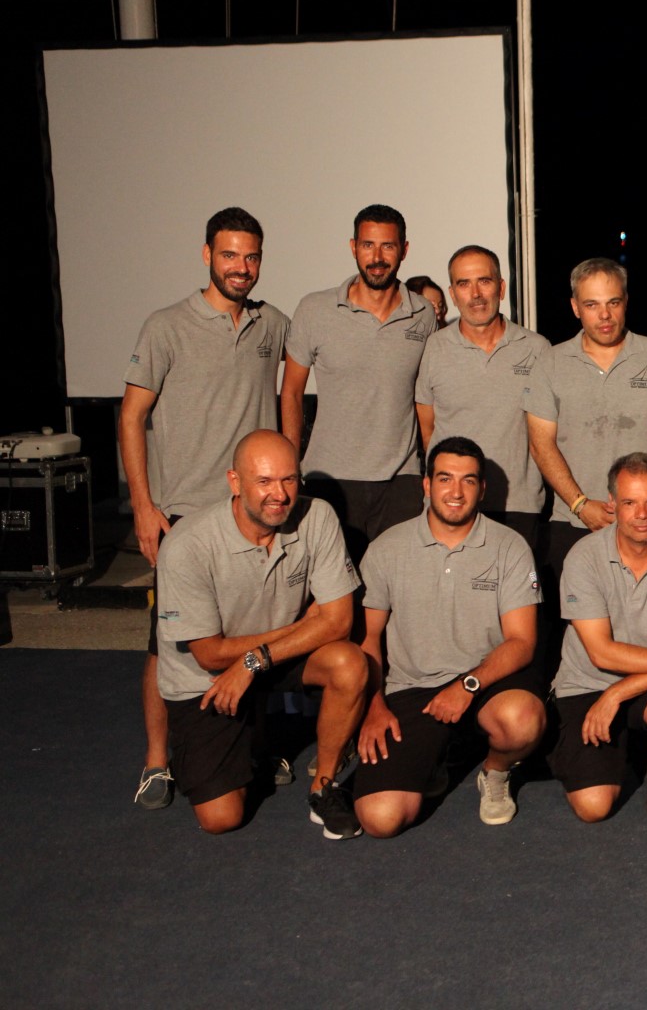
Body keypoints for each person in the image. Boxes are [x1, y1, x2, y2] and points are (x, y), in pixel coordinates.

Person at [121, 207, 289, 811]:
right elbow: (131, 417)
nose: (241, 267)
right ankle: (157, 760)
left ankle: (254, 744)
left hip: (254, 512)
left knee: (250, 631)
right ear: (207, 256)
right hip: (186, 515)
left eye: (251, 256)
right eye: (229, 255)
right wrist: (143, 506)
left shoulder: (273, 325)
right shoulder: (165, 326)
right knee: (166, 643)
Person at [154, 431, 367, 838]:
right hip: (209, 679)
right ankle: (239, 743)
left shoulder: (317, 515)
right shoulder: (187, 545)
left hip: (268, 659)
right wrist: (304, 625)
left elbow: (339, 622)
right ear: (235, 482)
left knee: (350, 662)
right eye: (264, 481)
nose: (280, 494)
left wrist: (255, 661)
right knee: (221, 819)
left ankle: (324, 787)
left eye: (289, 479)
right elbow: (210, 654)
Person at [350, 437, 544, 835]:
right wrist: (373, 705)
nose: (456, 492)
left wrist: (467, 685)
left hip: (486, 681)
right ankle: (436, 756)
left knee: (522, 721)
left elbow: (522, 642)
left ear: (482, 489)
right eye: (445, 479)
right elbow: (368, 641)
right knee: (380, 819)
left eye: (468, 481)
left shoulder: (509, 546)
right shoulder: (386, 548)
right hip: (412, 687)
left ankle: (495, 770)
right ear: (426, 485)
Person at [523, 258, 647, 681]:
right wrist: (581, 504)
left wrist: (645, 503)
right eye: (592, 304)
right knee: (573, 639)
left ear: (626, 302)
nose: (605, 315)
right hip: (573, 522)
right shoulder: (551, 362)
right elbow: (541, 443)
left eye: (613, 302)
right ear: (575, 307)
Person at [548, 453, 647, 822]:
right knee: (593, 808)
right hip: (588, 683)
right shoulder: (583, 557)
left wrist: (617, 694)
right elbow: (602, 654)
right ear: (612, 504)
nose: (642, 514)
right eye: (629, 502)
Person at [281, 204, 436, 564]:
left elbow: (427, 400)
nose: (377, 257)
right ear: (353, 247)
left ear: (404, 250)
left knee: (397, 587)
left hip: (401, 480)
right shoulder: (314, 309)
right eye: (368, 245)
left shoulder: (423, 314)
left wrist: (432, 472)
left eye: (387, 246)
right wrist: (290, 467)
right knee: (333, 589)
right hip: (329, 478)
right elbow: (291, 392)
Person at [415, 246, 551, 564]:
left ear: (501, 288)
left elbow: (549, 432)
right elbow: (428, 430)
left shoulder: (536, 349)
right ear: (452, 294)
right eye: (464, 284)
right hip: (452, 506)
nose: (475, 294)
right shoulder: (434, 348)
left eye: (484, 281)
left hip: (519, 505)